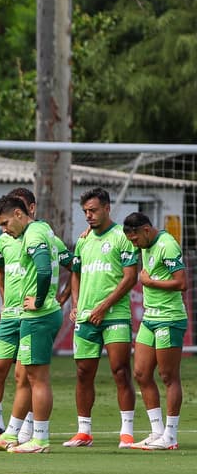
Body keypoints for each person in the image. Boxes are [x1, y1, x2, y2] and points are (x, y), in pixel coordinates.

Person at [0, 187, 71, 446]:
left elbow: (44, 269)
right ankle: (12, 433)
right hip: (24, 314)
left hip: (39, 314)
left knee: (35, 378)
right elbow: (6, 270)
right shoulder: (27, 235)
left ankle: (39, 438)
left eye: (5, 223)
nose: (3, 229)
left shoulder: (35, 233)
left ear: (20, 213)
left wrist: (39, 300)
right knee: (23, 376)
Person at [65, 187, 138, 448]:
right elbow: (75, 272)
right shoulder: (83, 239)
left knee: (120, 370)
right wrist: (75, 303)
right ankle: (84, 431)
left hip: (114, 314)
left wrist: (104, 306)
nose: (88, 216)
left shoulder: (123, 236)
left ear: (107, 208)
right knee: (83, 372)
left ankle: (127, 432)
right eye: (85, 211)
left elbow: (130, 277)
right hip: (86, 316)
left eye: (93, 210)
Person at [123, 212, 186, 450]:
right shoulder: (144, 243)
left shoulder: (167, 245)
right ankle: (156, 431)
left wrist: (150, 283)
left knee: (169, 377)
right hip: (150, 318)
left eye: (135, 240)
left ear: (146, 231)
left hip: (169, 319)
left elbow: (182, 283)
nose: (134, 244)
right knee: (140, 373)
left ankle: (170, 435)